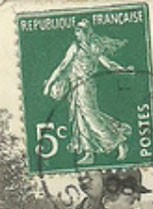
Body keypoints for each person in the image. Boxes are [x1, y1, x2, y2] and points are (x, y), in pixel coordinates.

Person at [43, 19, 134, 165]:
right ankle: (88, 153)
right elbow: (62, 66)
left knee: (91, 116)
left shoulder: (93, 46)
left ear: (86, 32)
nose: (77, 34)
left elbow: (108, 63)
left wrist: (123, 70)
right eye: (76, 31)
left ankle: (118, 142)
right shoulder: (75, 47)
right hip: (75, 86)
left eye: (79, 31)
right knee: (80, 119)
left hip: (87, 86)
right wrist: (50, 83)